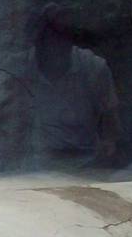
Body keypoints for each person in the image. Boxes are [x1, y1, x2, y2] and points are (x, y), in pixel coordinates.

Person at [33, 26, 121, 169]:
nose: (53, 54)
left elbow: (110, 122)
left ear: (70, 45)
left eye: (59, 45)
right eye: (47, 45)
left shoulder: (93, 68)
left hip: (87, 162)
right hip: (31, 166)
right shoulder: (20, 66)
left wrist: (107, 148)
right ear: (36, 47)